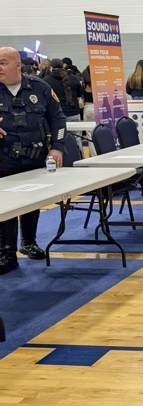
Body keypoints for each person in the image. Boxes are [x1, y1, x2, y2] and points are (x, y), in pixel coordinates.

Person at [0, 46, 66, 273]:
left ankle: (28, 242)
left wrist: (57, 148)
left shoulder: (40, 88)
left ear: (18, 64)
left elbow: (58, 119)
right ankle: (6, 252)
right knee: (6, 205)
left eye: (3, 62)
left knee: (31, 201)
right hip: (4, 158)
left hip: (34, 156)